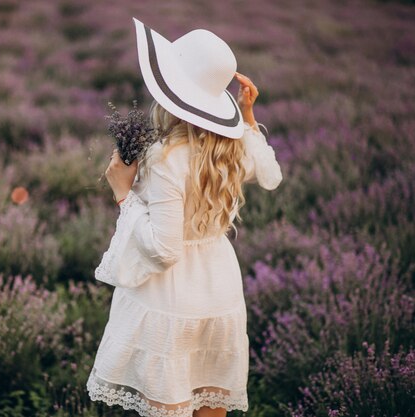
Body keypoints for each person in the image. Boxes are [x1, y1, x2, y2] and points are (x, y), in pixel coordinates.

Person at [86, 17, 283, 417]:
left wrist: (123, 194)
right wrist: (247, 117)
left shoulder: (165, 157)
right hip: (218, 291)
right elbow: (271, 176)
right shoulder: (233, 149)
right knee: (211, 407)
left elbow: (163, 249)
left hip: (169, 299)